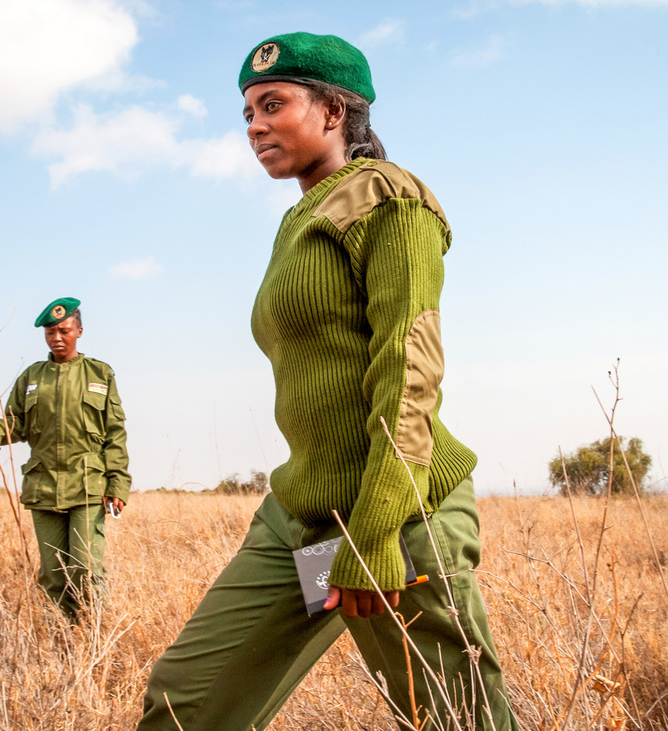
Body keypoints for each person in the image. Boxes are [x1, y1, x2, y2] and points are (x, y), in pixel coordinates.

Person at [136, 33, 517, 729]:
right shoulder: (298, 221)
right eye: (246, 112)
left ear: (335, 111)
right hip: (305, 522)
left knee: (456, 718)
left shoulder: (390, 200)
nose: (254, 125)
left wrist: (373, 532)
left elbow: (409, 370)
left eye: (272, 104)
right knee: (186, 698)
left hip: (392, 520)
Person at [0, 297, 130, 621]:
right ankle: (62, 638)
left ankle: (92, 639)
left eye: (63, 330)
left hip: (87, 485)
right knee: (52, 574)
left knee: (86, 568)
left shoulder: (99, 373)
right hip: (44, 486)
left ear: (79, 330)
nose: (57, 337)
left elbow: (114, 432)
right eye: (50, 332)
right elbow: (14, 420)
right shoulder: (32, 377)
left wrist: (117, 483)